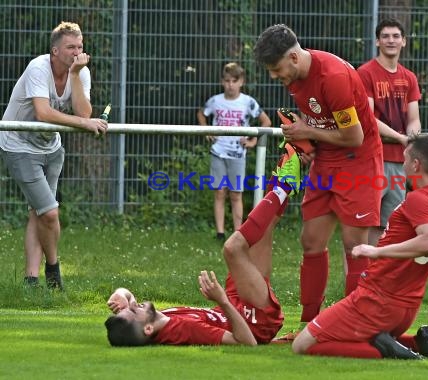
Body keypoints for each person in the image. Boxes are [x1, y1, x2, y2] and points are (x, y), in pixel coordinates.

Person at [291, 133, 428, 360]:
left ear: (416, 164)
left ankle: (388, 351)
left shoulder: (418, 199)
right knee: (347, 336)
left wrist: (376, 251)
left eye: (405, 158)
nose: (402, 164)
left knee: (303, 343)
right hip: (407, 309)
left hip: (376, 301)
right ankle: (419, 343)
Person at [104, 144, 301, 346]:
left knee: (264, 230)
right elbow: (247, 342)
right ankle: (285, 185)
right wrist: (221, 300)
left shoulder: (151, 319)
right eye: (134, 309)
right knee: (233, 248)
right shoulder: (182, 331)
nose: (135, 304)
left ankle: (293, 162)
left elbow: (127, 295)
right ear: (147, 328)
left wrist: (120, 294)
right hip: (254, 320)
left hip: (237, 304)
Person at [253, 24, 383, 323]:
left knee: (355, 247)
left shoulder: (332, 77)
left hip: (357, 162)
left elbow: (354, 137)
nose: (274, 76)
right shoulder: (294, 78)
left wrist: (305, 130)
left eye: (276, 68)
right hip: (326, 161)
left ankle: (353, 325)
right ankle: (309, 324)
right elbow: (321, 124)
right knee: (311, 241)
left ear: (295, 58)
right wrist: (303, 143)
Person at [0, 21, 108, 289]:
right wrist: (84, 124)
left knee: (38, 213)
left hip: (51, 148)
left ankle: (31, 281)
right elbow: (44, 113)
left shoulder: (80, 72)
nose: (77, 52)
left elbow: (84, 112)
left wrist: (74, 75)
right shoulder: (38, 67)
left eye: (80, 46)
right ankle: (53, 271)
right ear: (55, 51)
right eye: (71, 47)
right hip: (19, 145)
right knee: (49, 214)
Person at [357, 18, 422, 246]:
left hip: (399, 161)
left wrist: (412, 139)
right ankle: (357, 275)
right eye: (385, 36)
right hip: (372, 157)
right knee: (364, 221)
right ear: (377, 41)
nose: (391, 40)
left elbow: (414, 119)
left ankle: (373, 274)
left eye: (396, 36)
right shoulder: (365, 73)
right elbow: (368, 119)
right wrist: (401, 138)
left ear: (404, 41)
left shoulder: (409, 78)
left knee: (386, 223)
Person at [197, 62, 272, 241]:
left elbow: (266, 122)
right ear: (222, 82)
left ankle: (238, 232)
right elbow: (201, 113)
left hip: (238, 154)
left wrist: (253, 141)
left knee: (236, 194)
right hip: (218, 152)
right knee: (219, 192)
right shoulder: (215, 101)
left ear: (241, 82)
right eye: (227, 81)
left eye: (234, 81)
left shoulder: (248, 102)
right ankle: (220, 233)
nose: (230, 85)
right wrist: (206, 130)